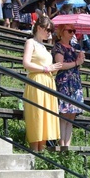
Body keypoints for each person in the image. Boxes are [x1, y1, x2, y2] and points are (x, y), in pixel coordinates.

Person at [22, 16, 62, 152]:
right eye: (48, 30)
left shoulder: (44, 47)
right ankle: (34, 151)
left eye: (51, 31)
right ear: (39, 28)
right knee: (37, 115)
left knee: (46, 117)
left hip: (48, 82)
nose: (49, 33)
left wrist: (52, 69)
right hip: (37, 81)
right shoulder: (30, 42)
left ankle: (42, 152)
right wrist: (46, 69)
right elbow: (26, 63)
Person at [53, 24, 85, 149]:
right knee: (64, 115)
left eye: (74, 31)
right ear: (62, 32)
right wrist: (76, 62)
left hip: (75, 82)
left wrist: (80, 60)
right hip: (64, 83)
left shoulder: (73, 48)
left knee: (72, 115)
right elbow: (59, 65)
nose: (73, 33)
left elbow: (76, 66)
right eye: (70, 31)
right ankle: (62, 144)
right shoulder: (58, 47)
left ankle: (67, 145)